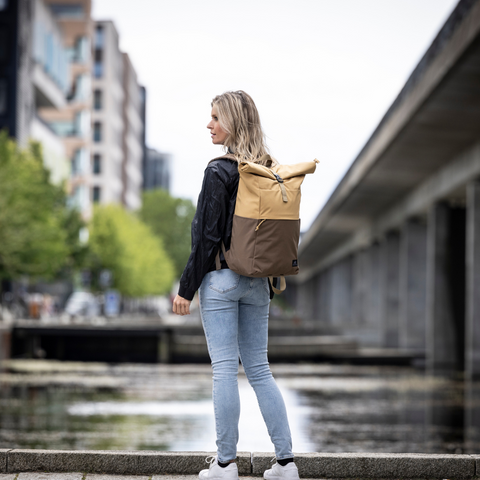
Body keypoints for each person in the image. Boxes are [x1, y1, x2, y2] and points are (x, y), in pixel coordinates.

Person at [173, 91, 299, 480]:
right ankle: (285, 463)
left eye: (215, 117)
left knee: (225, 370)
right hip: (258, 283)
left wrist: (185, 289)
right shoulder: (266, 169)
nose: (209, 124)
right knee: (260, 369)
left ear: (232, 122)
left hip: (222, 282)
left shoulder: (219, 171)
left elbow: (207, 238)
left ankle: (225, 464)